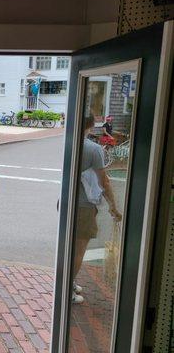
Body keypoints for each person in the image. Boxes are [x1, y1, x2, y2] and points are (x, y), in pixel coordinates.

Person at [73, 115, 122, 304]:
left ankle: (69, 282)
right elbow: (104, 181)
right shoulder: (93, 149)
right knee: (78, 251)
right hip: (84, 207)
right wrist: (114, 207)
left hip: (67, 203)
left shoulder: (69, 145)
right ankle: (68, 290)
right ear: (91, 126)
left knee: (68, 247)